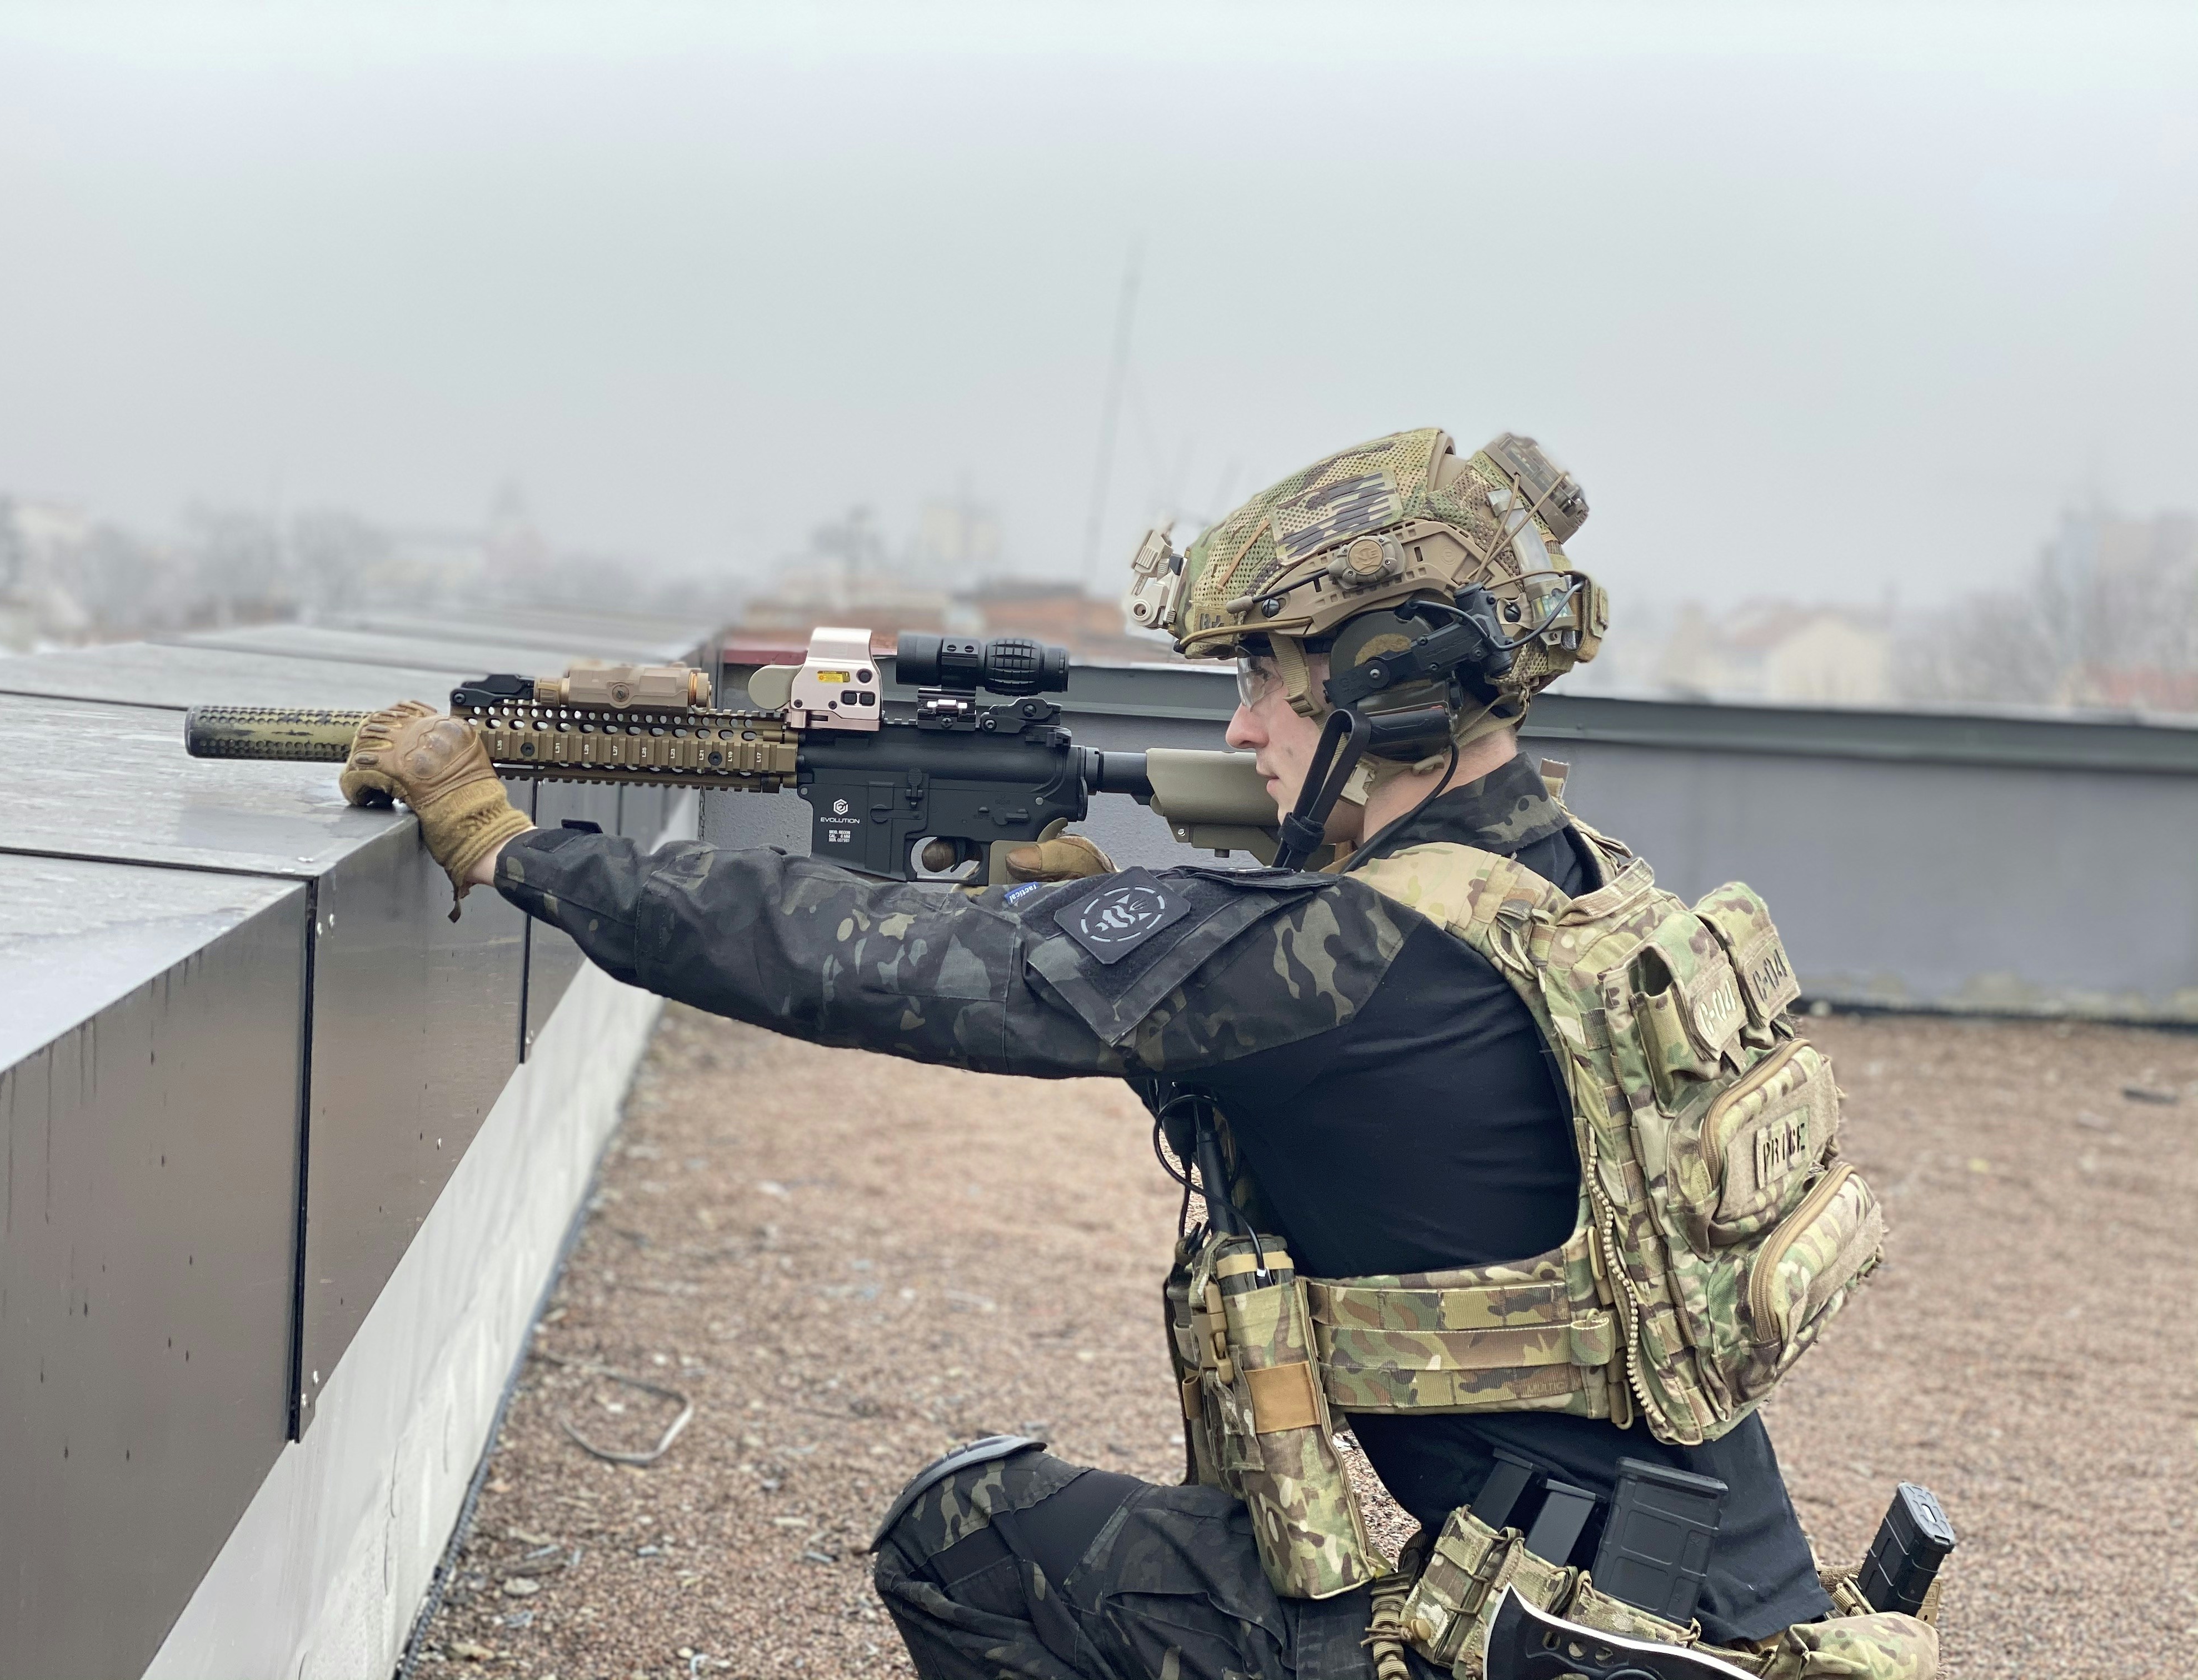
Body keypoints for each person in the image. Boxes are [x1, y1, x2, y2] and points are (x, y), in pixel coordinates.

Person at [340, 428, 1935, 1680]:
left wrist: (516, 851)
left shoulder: (1346, 954)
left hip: (1554, 1659)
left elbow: (868, 962)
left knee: (967, 1536)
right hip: (1721, 1632)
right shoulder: (1583, 887)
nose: (1244, 731)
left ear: (1380, 689)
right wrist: (1140, 936)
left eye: (1263, 680)